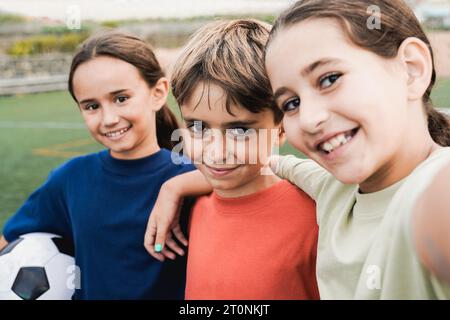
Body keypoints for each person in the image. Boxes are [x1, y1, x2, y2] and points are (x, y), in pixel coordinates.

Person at [264, 0, 450, 298]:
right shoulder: (333, 190)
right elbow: (279, 164)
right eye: (291, 103)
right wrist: (178, 185)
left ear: (411, 69)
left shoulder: (435, 192)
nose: (311, 119)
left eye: (329, 79)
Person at [0, 31, 195, 299]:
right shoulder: (70, 179)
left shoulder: (190, 178)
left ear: (158, 93)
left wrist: (180, 186)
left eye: (121, 98)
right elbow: (9, 241)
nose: (109, 118)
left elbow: (257, 179)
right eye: (92, 106)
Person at [146, 19, 319, 300]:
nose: (216, 151)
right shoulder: (194, 207)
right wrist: (173, 187)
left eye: (239, 130)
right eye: (198, 127)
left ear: (282, 128)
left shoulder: (316, 218)